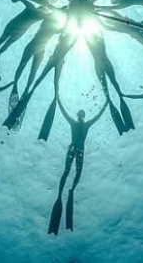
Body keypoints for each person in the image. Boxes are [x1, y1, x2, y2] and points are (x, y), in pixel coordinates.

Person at [48, 98, 105, 234]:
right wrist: (58, 99)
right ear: (80, 116)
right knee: (67, 171)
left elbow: (97, 116)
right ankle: (61, 194)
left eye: (81, 115)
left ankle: (70, 190)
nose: (80, 117)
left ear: (82, 116)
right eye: (80, 115)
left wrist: (105, 105)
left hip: (78, 150)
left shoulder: (83, 124)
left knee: (75, 173)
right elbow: (63, 111)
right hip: (75, 149)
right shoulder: (79, 123)